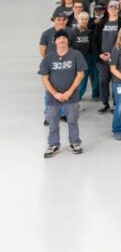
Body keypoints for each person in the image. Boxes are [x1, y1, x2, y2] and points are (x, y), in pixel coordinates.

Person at [38, 29, 86, 158]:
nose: (62, 40)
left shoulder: (76, 55)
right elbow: (44, 78)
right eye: (59, 38)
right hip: (53, 97)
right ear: (55, 41)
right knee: (53, 122)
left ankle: (74, 142)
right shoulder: (48, 57)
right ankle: (53, 144)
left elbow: (80, 74)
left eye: (64, 38)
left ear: (68, 41)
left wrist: (69, 91)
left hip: (72, 96)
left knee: (72, 120)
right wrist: (55, 93)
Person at [92, 1, 121, 114]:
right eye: (111, 7)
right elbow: (94, 41)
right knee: (103, 81)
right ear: (107, 9)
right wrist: (100, 54)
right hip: (103, 59)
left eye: (116, 7)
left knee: (116, 83)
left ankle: (116, 104)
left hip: (117, 59)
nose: (113, 9)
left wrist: (113, 54)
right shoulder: (101, 23)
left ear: (119, 9)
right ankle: (105, 103)